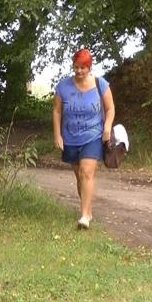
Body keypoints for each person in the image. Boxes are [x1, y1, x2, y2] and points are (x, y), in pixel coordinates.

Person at [52, 48, 115, 229]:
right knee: (80, 176)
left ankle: (84, 217)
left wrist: (107, 128)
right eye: (76, 67)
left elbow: (110, 108)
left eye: (83, 68)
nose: (79, 71)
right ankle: (88, 209)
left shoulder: (100, 84)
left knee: (87, 172)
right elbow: (56, 111)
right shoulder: (63, 86)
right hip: (70, 137)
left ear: (89, 67)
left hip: (93, 136)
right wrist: (57, 135)